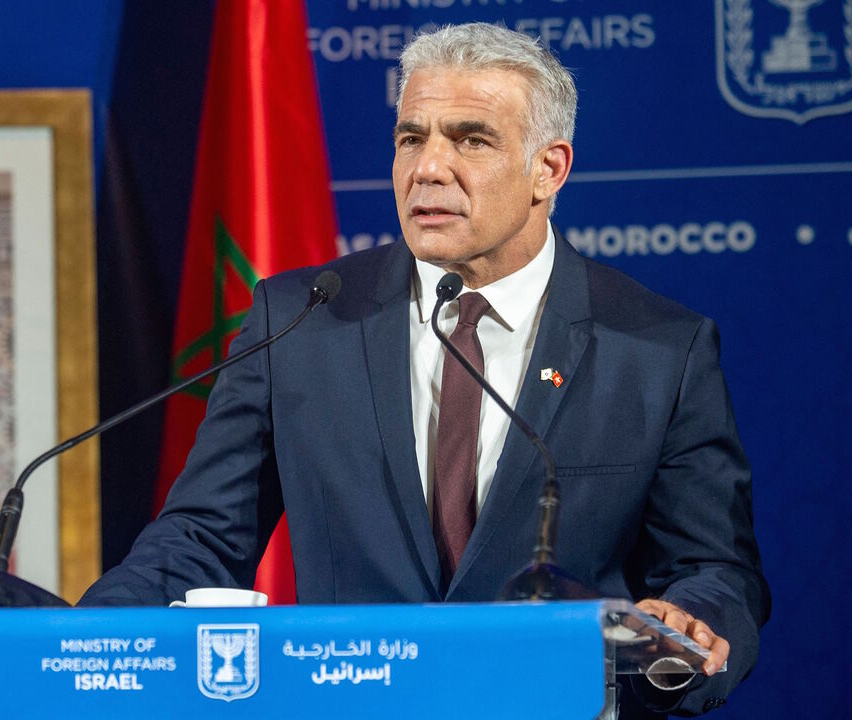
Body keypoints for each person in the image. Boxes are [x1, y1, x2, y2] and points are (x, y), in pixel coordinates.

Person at [80, 23, 768, 716]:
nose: (428, 168)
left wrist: (687, 623)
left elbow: (713, 569)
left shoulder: (656, 348)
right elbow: (202, 536)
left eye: (471, 140)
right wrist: (81, 642)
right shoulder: (301, 320)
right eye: (412, 138)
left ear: (549, 169)